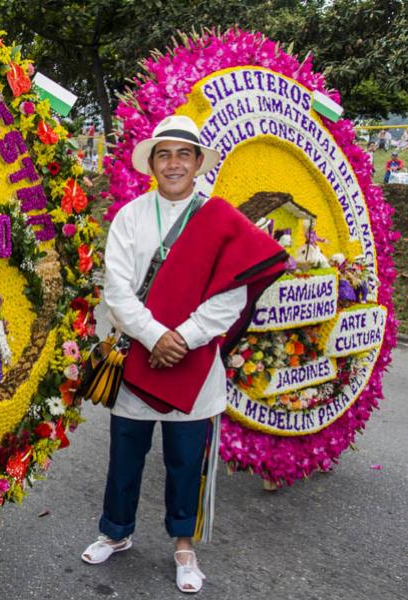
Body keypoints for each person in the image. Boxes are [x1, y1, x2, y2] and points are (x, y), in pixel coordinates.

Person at [81, 115, 288, 593]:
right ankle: (116, 532)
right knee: (125, 455)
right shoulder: (130, 216)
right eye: (163, 154)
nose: (173, 163)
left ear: (197, 164)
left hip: (195, 367)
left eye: (183, 154)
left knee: (185, 461)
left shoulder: (222, 220)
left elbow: (231, 296)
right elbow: (117, 290)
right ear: (152, 163)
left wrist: (184, 338)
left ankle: (183, 545)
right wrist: (156, 336)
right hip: (137, 358)